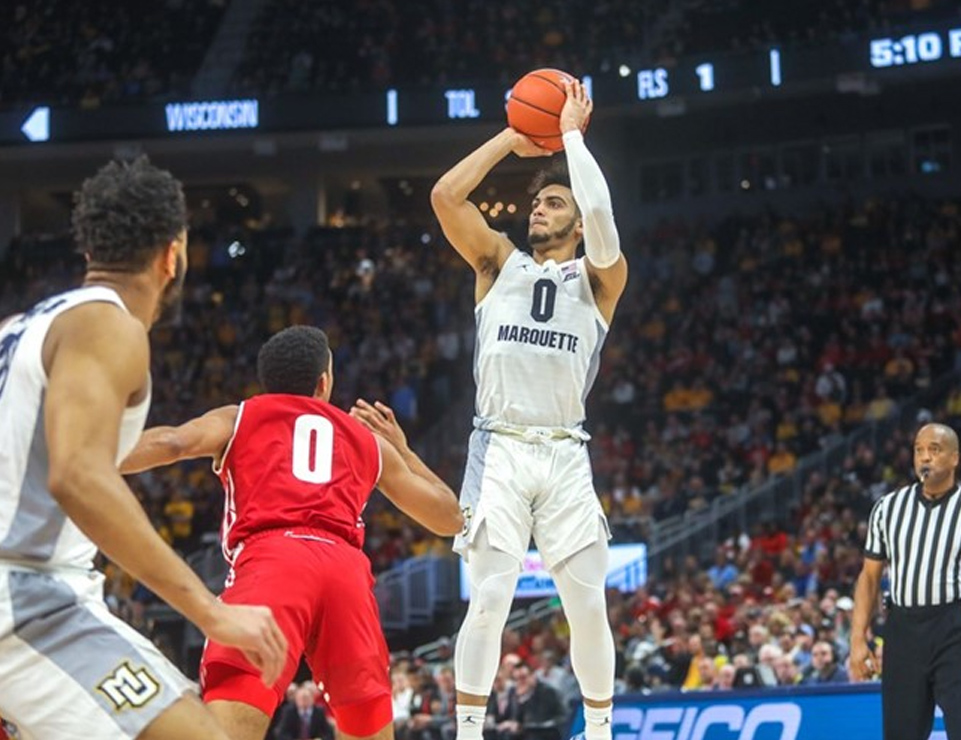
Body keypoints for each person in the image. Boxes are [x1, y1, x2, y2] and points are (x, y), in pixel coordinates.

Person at [0, 157, 286, 740]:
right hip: (30, 597)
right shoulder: (110, 326)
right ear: (172, 254)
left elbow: (54, 455)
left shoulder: (17, 328)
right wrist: (211, 610)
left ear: (90, 251)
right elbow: (77, 474)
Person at [120, 325, 463, 740]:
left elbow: (172, 443)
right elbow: (449, 517)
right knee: (366, 724)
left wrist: (84, 453)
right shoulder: (367, 440)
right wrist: (405, 451)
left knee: (229, 726)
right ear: (324, 381)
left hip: (273, 560)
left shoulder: (241, 414)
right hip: (345, 572)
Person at [430, 80, 627, 740]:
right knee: (487, 598)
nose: (535, 209)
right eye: (535, 201)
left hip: (566, 450)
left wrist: (571, 136)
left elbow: (601, 218)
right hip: (501, 447)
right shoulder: (496, 261)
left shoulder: (600, 279)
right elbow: (445, 196)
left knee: (587, 605)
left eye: (551, 202)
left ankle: (599, 732)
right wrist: (512, 139)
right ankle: (467, 731)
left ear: (572, 219)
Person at [850, 423, 961, 740]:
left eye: (934, 450)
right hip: (903, 628)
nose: (925, 457)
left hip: (955, 627)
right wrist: (857, 640)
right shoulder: (886, 509)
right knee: (900, 733)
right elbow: (869, 578)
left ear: (954, 458)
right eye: (919, 450)